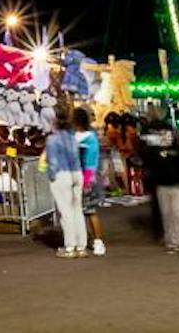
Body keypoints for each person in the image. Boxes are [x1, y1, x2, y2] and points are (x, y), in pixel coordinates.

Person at [140, 122, 179, 253]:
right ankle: (170, 241)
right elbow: (148, 165)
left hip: (176, 187)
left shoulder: (177, 151)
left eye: (167, 134)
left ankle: (177, 241)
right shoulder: (155, 152)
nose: (165, 136)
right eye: (162, 134)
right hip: (161, 186)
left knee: (177, 214)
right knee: (166, 214)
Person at [40, 108, 86, 257]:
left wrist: (51, 175)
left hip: (61, 174)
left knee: (65, 212)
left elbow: (52, 161)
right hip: (77, 173)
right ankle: (81, 246)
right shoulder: (73, 138)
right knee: (77, 210)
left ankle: (69, 247)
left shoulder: (52, 139)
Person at [72, 107, 105, 256]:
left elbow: (91, 161)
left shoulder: (88, 138)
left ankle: (97, 242)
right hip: (79, 177)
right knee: (83, 212)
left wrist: (87, 181)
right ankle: (84, 241)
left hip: (85, 178)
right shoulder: (80, 136)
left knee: (89, 211)